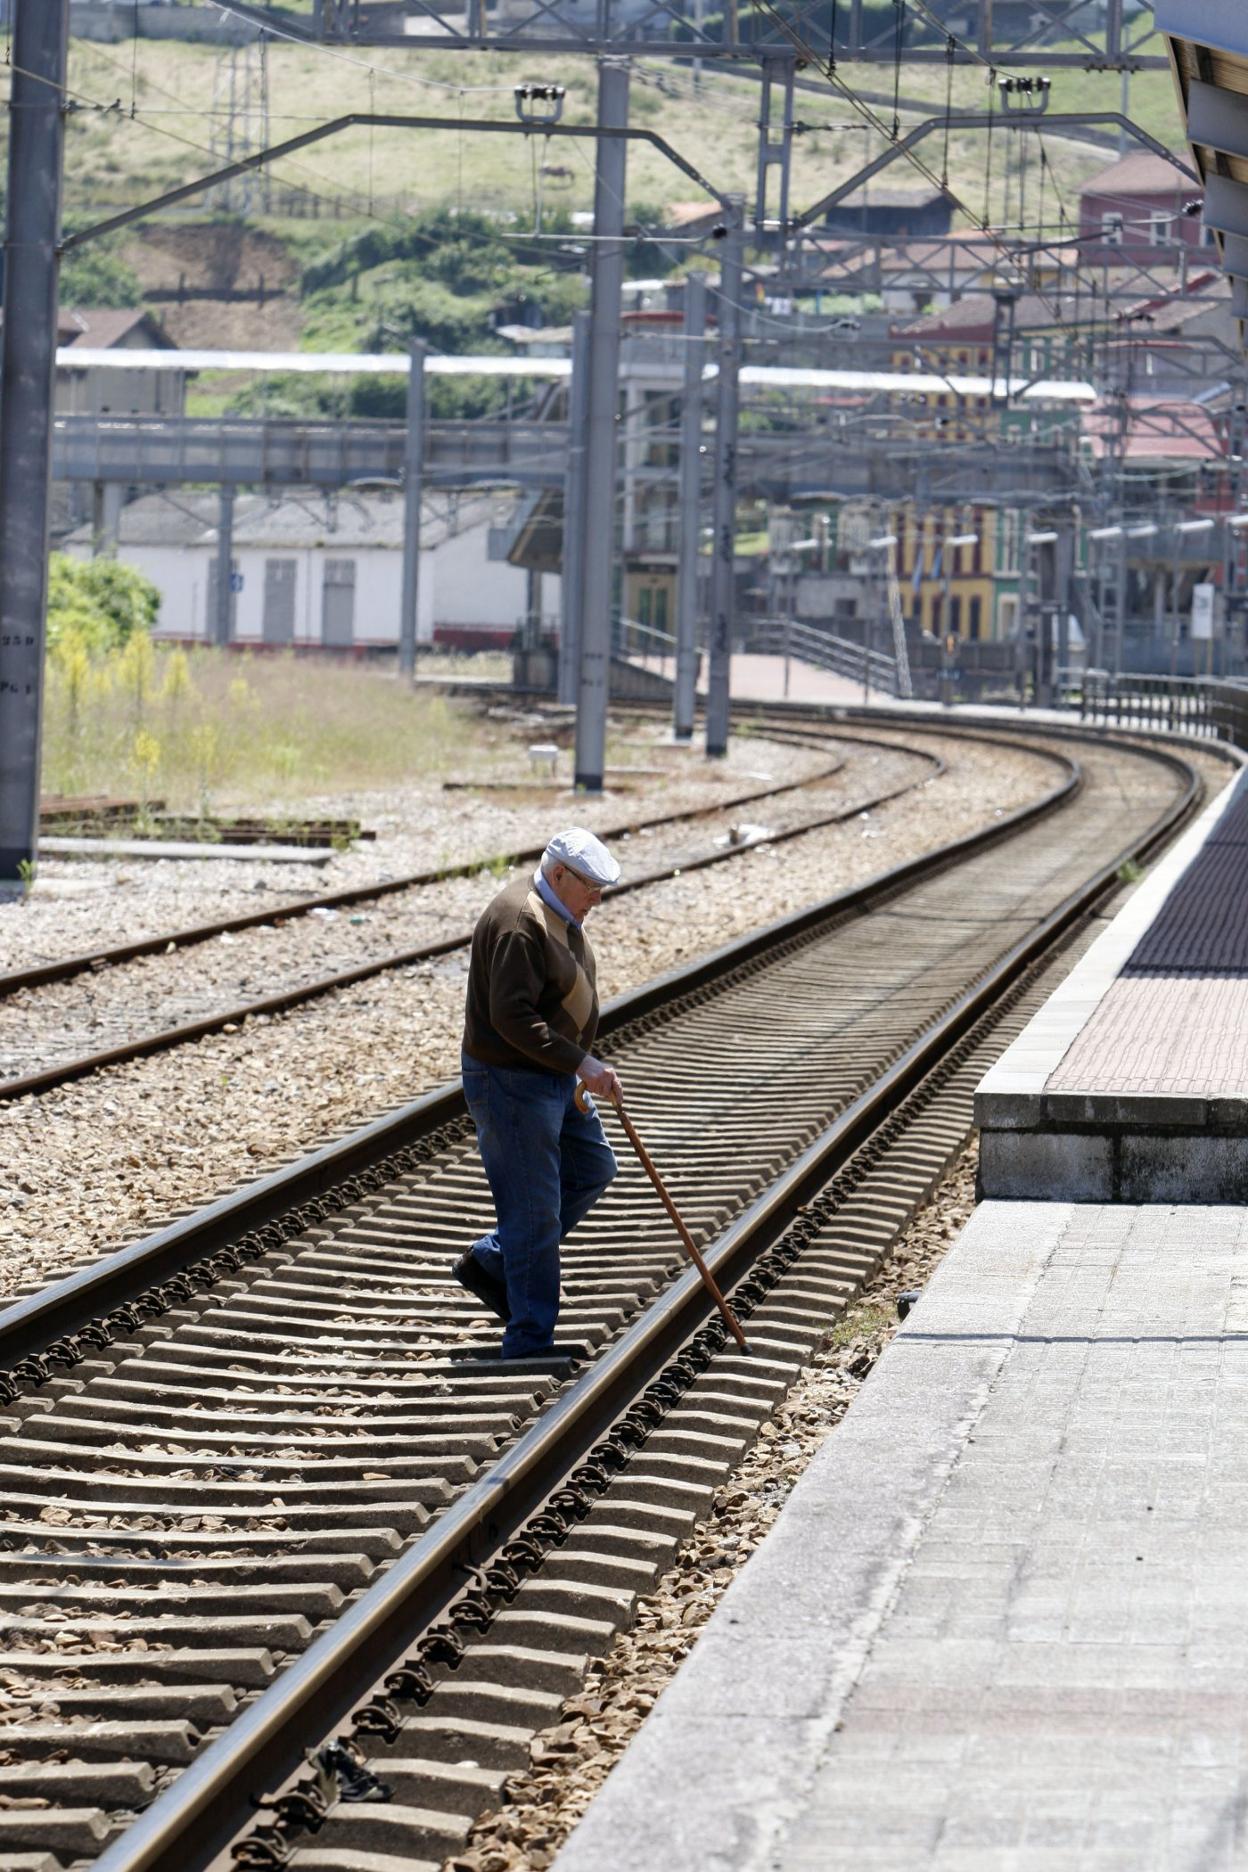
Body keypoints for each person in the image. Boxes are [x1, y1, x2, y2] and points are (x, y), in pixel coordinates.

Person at [455, 827, 622, 1359]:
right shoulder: (519, 921)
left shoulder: (557, 909)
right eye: (591, 886)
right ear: (558, 876)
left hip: (548, 1075)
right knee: (533, 1209)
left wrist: (573, 1066)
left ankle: (495, 1262)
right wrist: (582, 1061)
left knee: (592, 1169)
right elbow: (511, 1017)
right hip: (511, 1080)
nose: (598, 897)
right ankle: (528, 1341)